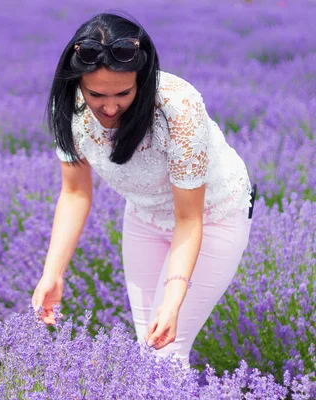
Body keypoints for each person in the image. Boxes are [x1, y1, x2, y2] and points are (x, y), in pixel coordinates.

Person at [31, 11, 255, 370]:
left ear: (143, 79)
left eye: (123, 93)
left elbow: (188, 217)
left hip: (212, 217)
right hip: (144, 215)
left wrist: (174, 297)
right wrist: (52, 273)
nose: (109, 106)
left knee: (166, 352)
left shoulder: (178, 109)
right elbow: (74, 193)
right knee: (147, 347)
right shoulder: (69, 105)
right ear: (77, 82)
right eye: (96, 94)